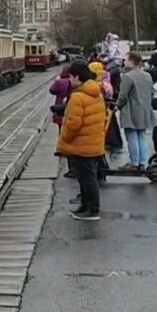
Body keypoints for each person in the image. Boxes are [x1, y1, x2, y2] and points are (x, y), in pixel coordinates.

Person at [57, 62, 107, 221]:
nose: (69, 80)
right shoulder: (96, 92)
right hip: (92, 141)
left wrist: (64, 138)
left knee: (86, 179)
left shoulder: (78, 97)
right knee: (88, 177)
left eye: (71, 77)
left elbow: (73, 124)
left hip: (81, 143)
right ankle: (86, 206)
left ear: (77, 77)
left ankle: (92, 209)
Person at [117, 51, 156, 172]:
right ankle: (142, 163)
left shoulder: (127, 77)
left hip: (131, 110)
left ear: (132, 62)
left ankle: (134, 162)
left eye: (126, 59)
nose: (124, 62)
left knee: (132, 136)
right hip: (145, 109)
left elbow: (123, 95)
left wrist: (118, 106)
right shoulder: (147, 76)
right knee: (142, 136)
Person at [49, 64, 75, 178]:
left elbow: (52, 90)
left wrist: (57, 80)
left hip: (61, 108)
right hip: (68, 109)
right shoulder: (73, 82)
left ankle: (62, 148)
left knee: (62, 129)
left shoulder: (60, 82)